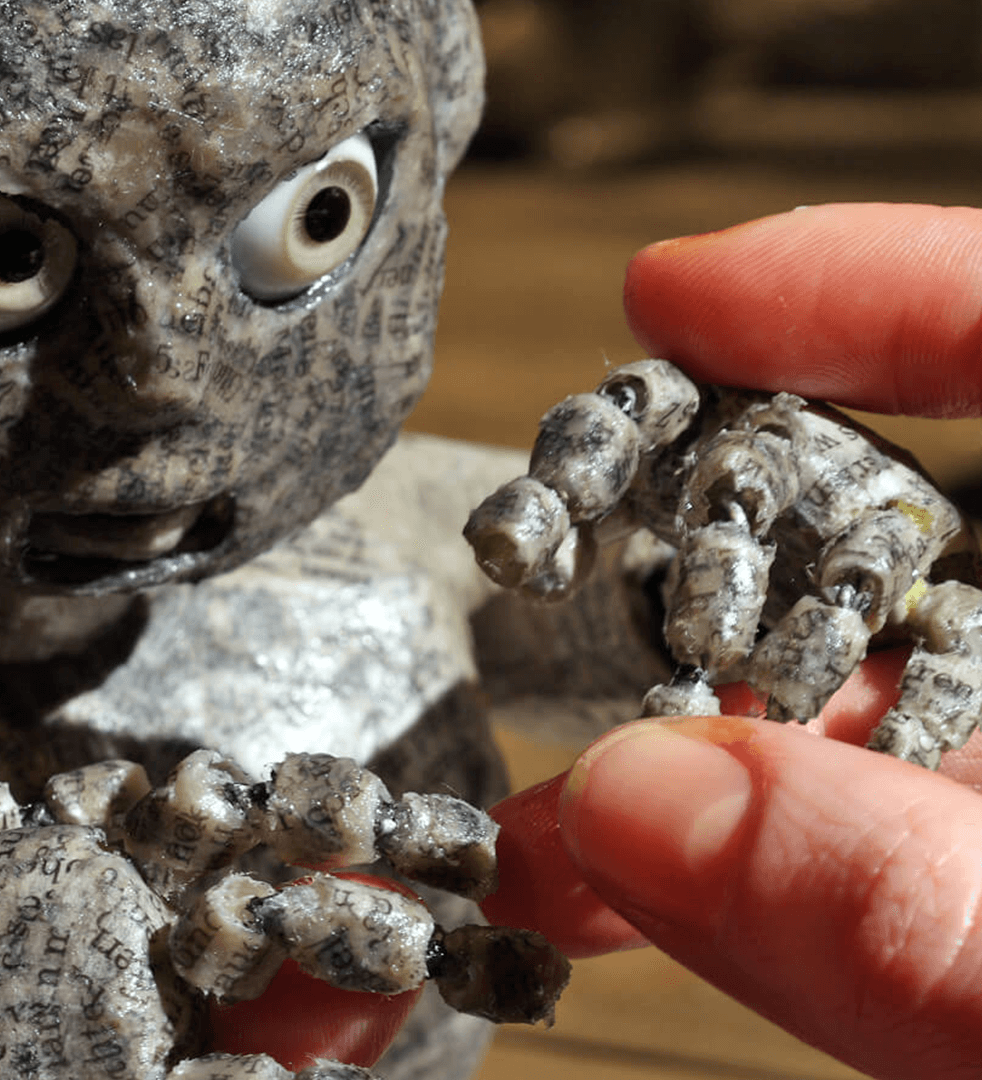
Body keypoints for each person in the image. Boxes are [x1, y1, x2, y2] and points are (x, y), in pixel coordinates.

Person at [225, 202, 982, 1080]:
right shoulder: (681, 434)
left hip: (398, 959)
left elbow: (546, 594)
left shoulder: (910, 584)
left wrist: (683, 641)